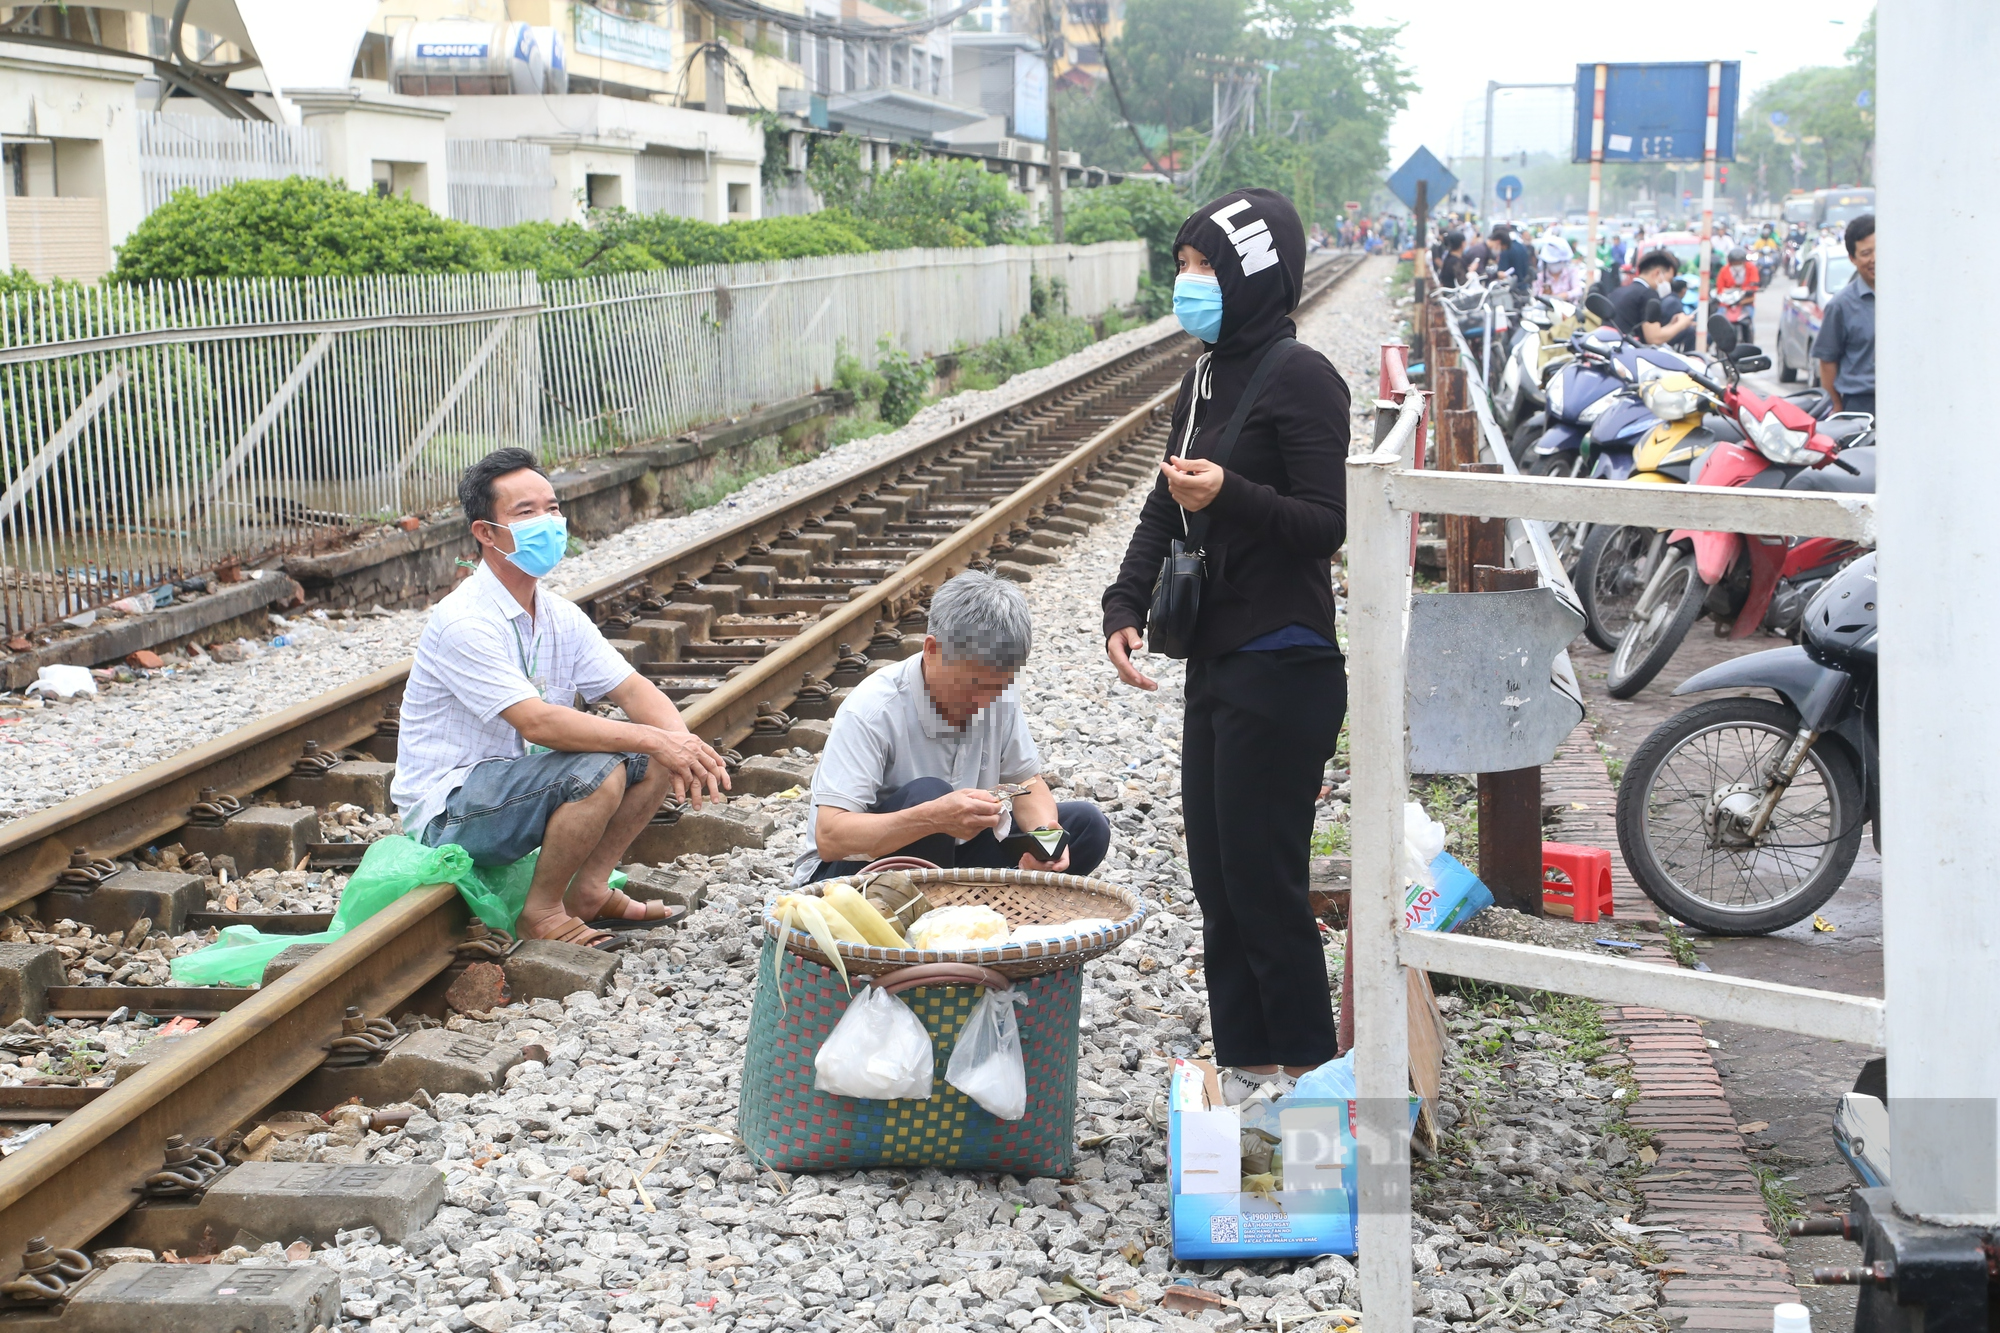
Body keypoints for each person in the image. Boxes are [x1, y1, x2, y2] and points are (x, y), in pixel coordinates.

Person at [1101, 187, 1349, 1103]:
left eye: (1204, 267)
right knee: (1218, 881)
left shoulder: (1302, 374)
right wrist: (1124, 599)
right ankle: (1250, 1076)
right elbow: (1167, 499)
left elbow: (1328, 523)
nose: (1188, 282)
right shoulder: (1204, 373)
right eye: (1184, 264)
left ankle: (1309, 1087)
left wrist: (1231, 495)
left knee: (1265, 884)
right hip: (1218, 658)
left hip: (1283, 664)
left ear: (1253, 273)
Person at [392, 449, 732, 949]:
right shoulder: (465, 619)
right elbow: (539, 724)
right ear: (486, 533)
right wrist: (657, 740)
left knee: (657, 749)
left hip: (518, 789)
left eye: (552, 509)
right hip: (452, 810)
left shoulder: (556, 614)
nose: (548, 523)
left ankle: (588, 890)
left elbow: (632, 689)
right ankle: (543, 914)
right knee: (600, 768)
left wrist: (682, 747)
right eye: (525, 513)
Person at [795, 571, 1109, 884]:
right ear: (932, 651)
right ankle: (940, 919)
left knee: (1086, 826)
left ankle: (977, 913)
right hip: (849, 877)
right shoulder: (874, 708)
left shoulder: (998, 692)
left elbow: (1025, 781)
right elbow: (830, 837)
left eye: (1000, 686)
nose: (988, 700)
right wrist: (931, 817)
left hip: (952, 859)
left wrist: (1045, 838)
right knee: (928, 794)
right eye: (974, 684)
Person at [1814, 214, 1876, 416]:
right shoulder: (1840, 306)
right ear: (1853, 259)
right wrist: (1836, 407)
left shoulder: (1908, 300)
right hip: (1859, 406)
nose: (1874, 259)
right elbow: (1827, 360)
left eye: (1879, 250)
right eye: (1866, 253)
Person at [1608, 249, 1693, 346]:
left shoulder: (1618, 291)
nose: (1669, 285)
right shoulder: (1648, 295)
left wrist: (1670, 325)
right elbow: (1654, 339)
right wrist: (1682, 324)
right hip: (1629, 353)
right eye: (1669, 279)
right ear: (1657, 273)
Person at [1715, 246, 1757, 345]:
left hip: (1745, 303)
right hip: (1727, 303)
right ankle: (1712, 344)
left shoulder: (1751, 269)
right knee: (1717, 321)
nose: (1737, 265)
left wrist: (1746, 291)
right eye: (1735, 263)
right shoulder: (1724, 271)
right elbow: (1719, 288)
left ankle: (1749, 344)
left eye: (1739, 263)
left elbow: (1754, 285)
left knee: (1748, 321)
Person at [1490, 224, 1535, 295]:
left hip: (1511, 292)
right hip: (1524, 288)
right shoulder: (1522, 246)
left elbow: (1502, 273)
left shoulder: (1506, 250)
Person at [1535, 234, 1581, 303]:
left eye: (1557, 262)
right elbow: (1537, 294)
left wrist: (1565, 295)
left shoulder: (1571, 272)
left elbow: (1578, 291)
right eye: (1551, 263)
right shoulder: (1542, 276)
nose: (1554, 265)